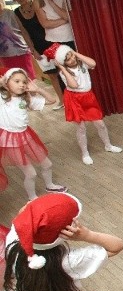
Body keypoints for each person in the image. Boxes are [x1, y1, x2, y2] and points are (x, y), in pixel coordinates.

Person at [44, 43, 123, 165]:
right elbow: (74, 85)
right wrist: (63, 69)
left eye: (72, 56)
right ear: (62, 63)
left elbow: (93, 63)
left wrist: (74, 53)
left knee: (100, 124)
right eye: (68, 59)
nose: (72, 59)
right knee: (81, 127)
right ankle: (85, 153)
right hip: (75, 99)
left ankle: (108, 145)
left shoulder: (82, 63)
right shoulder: (63, 73)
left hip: (88, 97)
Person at [0, 68, 66, 199]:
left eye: (24, 82)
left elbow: (52, 100)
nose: (21, 84)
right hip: (10, 140)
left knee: (47, 164)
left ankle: (50, 185)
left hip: (25, 136)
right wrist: (2, 83)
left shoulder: (26, 99)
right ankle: (32, 198)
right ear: (7, 83)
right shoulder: (2, 98)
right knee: (31, 174)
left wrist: (39, 90)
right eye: (17, 81)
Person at [8, 0, 65, 108]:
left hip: (52, 42)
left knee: (63, 71)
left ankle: (72, 100)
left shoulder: (38, 3)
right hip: (38, 46)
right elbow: (24, 32)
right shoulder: (16, 12)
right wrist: (33, 49)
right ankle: (62, 101)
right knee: (52, 75)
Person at [31, 0, 75, 109]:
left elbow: (67, 15)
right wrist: (64, 20)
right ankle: (70, 104)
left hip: (70, 38)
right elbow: (45, 24)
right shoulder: (37, 2)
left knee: (76, 69)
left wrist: (50, 2)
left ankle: (82, 100)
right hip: (54, 41)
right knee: (62, 72)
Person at [0, 0, 36, 80]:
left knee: (28, 78)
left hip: (20, 51)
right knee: (12, 79)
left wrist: (31, 46)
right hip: (4, 55)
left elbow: (23, 29)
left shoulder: (9, 13)